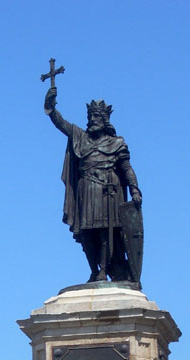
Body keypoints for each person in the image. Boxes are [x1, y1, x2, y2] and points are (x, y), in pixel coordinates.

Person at [44, 85, 142, 284]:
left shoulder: (116, 143)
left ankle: (103, 270)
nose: (92, 121)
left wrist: (134, 188)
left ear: (104, 120)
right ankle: (93, 269)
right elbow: (60, 123)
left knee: (106, 231)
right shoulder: (80, 137)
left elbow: (126, 168)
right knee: (86, 232)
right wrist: (50, 107)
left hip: (109, 191)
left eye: (96, 117)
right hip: (86, 190)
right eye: (90, 117)